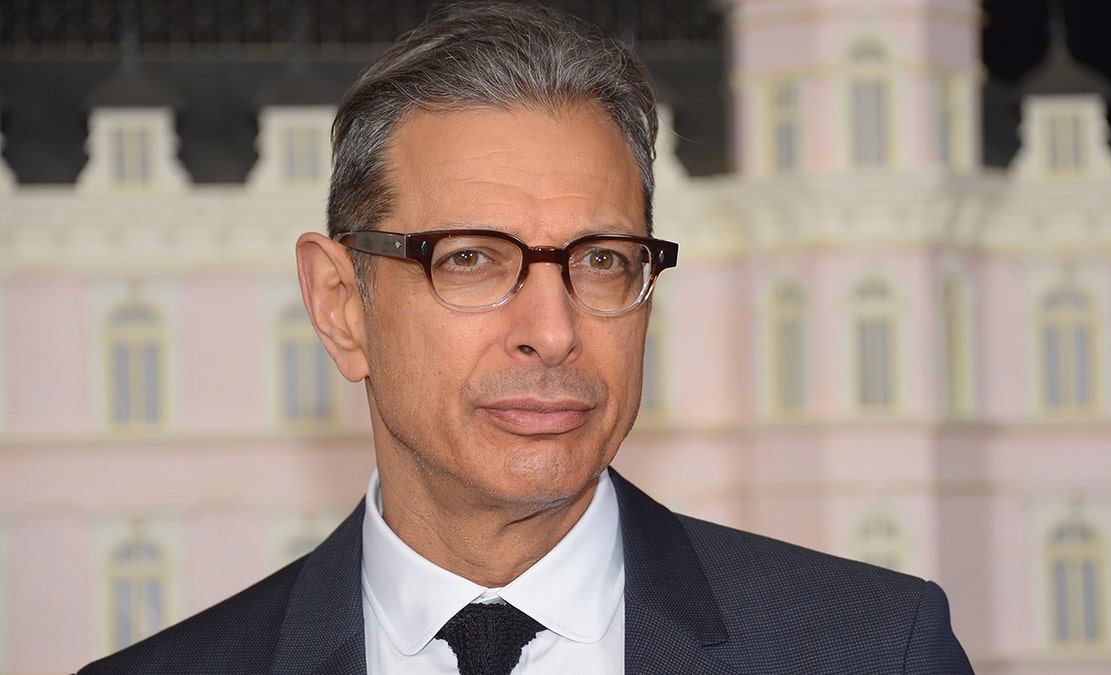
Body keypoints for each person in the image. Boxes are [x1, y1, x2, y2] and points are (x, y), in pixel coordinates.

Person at [80, 2, 972, 673]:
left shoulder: (874, 649)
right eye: (469, 259)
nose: (553, 332)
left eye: (603, 261)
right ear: (341, 305)